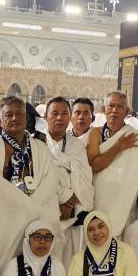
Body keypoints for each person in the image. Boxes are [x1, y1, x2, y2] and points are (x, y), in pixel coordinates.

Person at [0, 95, 59, 276]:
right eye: (9, 115)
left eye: (19, 114)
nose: (15, 118)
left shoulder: (40, 146)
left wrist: (31, 209)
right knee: (1, 272)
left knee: (37, 272)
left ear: (26, 117)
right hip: (6, 218)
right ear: (0, 120)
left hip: (38, 216)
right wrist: (29, 208)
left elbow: (51, 180)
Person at [87, 91, 138, 236]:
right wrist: (118, 147)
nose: (114, 110)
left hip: (124, 200)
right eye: (111, 106)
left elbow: (135, 175)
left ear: (127, 111)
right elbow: (94, 166)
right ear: (103, 109)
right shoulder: (95, 133)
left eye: (120, 107)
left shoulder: (135, 136)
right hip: (99, 198)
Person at [45, 96, 94, 265]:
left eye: (64, 113)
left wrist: (71, 200)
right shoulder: (36, 142)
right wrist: (62, 198)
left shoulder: (76, 145)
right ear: (45, 116)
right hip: (45, 209)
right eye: (55, 113)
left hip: (71, 212)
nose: (60, 118)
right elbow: (37, 178)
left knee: (68, 264)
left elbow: (84, 178)